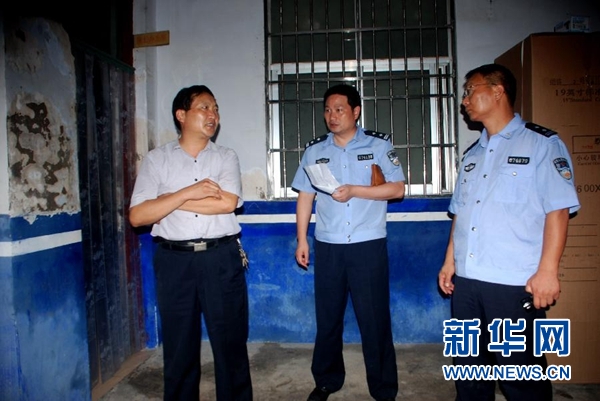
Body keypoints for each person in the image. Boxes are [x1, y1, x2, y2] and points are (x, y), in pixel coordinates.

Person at [438, 64, 580, 400]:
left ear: (497, 91)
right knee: (470, 373)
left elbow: (558, 210)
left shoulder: (541, 144)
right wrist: (450, 261)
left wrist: (548, 272)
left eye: (470, 91)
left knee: (521, 377)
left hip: (513, 282)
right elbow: (461, 213)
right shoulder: (471, 155)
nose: (464, 100)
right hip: (468, 283)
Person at [129, 85, 252, 401]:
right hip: (175, 261)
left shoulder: (225, 157)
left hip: (220, 258)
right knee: (179, 349)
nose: (213, 114)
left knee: (231, 348)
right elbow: (138, 216)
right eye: (204, 107)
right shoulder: (157, 160)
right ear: (181, 115)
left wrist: (167, 200)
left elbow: (227, 203)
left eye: (216, 108)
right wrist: (189, 193)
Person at [292, 84, 405, 401]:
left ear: (356, 111)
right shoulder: (315, 151)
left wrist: (356, 190)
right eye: (328, 110)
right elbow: (305, 197)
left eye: (339, 109)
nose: (332, 115)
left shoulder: (379, 145)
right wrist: (302, 239)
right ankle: (326, 381)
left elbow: (397, 189)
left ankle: (383, 388)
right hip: (328, 245)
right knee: (328, 318)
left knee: (374, 320)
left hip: (367, 245)